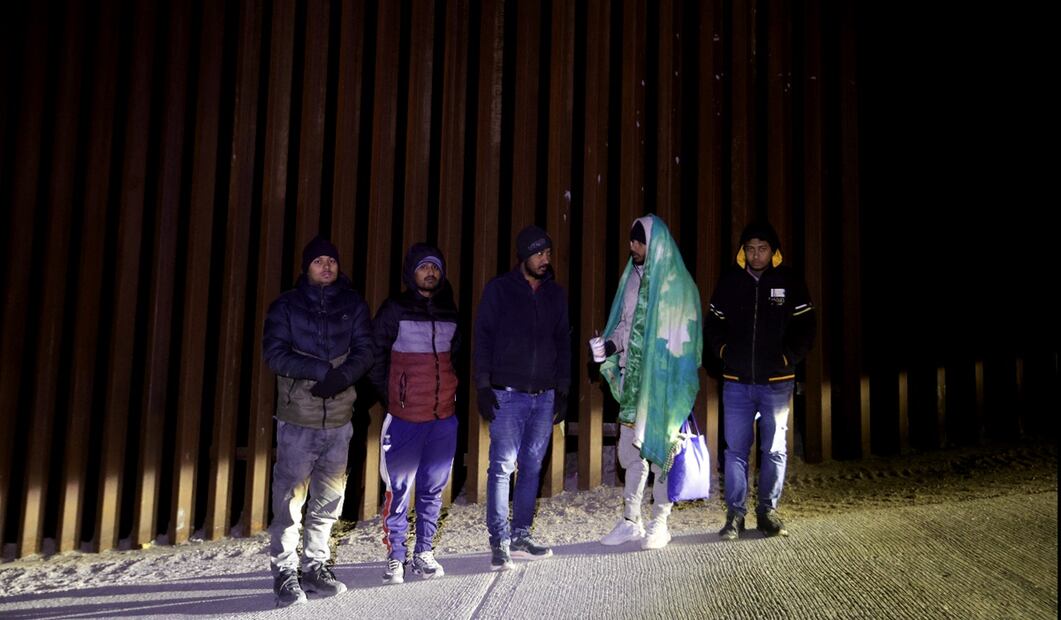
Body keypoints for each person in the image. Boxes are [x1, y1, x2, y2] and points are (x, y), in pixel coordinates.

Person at [261, 236, 374, 607]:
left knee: (329, 499)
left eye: (331, 260)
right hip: (298, 419)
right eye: (318, 261)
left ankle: (315, 565)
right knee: (290, 500)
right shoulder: (287, 306)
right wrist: (318, 370)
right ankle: (284, 572)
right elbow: (274, 354)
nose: (326, 266)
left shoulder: (353, 305)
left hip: (340, 419)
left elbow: (365, 350)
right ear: (306, 267)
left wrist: (340, 379)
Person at [594, 215, 702, 550]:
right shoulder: (631, 280)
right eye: (631, 241)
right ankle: (630, 520)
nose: (633, 247)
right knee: (630, 453)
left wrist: (666, 365)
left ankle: (660, 521)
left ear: (655, 243)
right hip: (633, 382)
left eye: (639, 241)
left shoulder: (677, 285)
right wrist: (609, 346)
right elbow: (627, 326)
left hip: (662, 386)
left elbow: (687, 337)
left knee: (661, 451)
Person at [705, 221, 816, 540]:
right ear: (743, 251)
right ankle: (735, 516)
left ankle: (767, 511)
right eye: (750, 249)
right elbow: (713, 325)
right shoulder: (730, 282)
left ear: (773, 251)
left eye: (762, 249)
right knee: (735, 451)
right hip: (737, 382)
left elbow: (807, 326)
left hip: (777, 383)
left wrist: (787, 358)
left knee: (775, 449)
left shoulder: (789, 280)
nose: (756, 255)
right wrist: (725, 353)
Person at [474, 225, 571, 571]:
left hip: (543, 397)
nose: (545, 259)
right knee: (501, 468)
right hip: (507, 395)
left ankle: (520, 535)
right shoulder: (499, 291)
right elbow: (482, 338)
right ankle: (498, 541)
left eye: (548, 253)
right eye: (538, 253)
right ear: (523, 256)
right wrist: (483, 386)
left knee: (531, 468)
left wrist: (563, 389)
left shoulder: (555, 295)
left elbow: (564, 343)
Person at [369, 243, 461, 585]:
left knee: (433, 489)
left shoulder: (450, 311)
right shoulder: (395, 308)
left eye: (436, 267)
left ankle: (423, 552)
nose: (431, 273)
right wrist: (394, 396)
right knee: (398, 488)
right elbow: (375, 354)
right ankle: (395, 557)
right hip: (405, 420)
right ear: (412, 272)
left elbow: (458, 359)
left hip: (442, 420)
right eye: (425, 267)